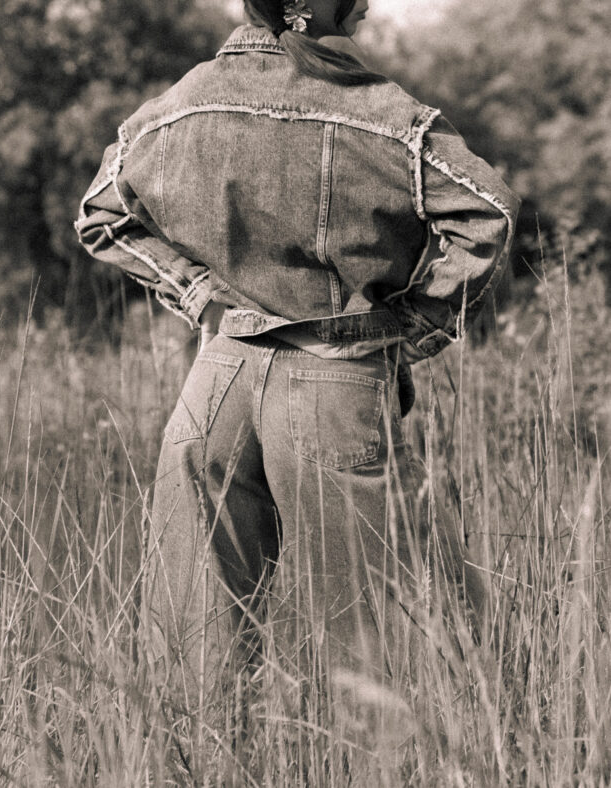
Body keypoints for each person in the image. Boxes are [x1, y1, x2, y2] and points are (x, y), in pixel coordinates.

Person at [75, 0, 519, 716]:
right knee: (365, 648)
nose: (367, 6)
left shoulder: (181, 102)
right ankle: (371, 762)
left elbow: (101, 212)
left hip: (217, 381)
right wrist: (415, 327)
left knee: (196, 649)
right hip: (335, 376)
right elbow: (488, 211)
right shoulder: (384, 111)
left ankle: (202, 762)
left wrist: (198, 293)